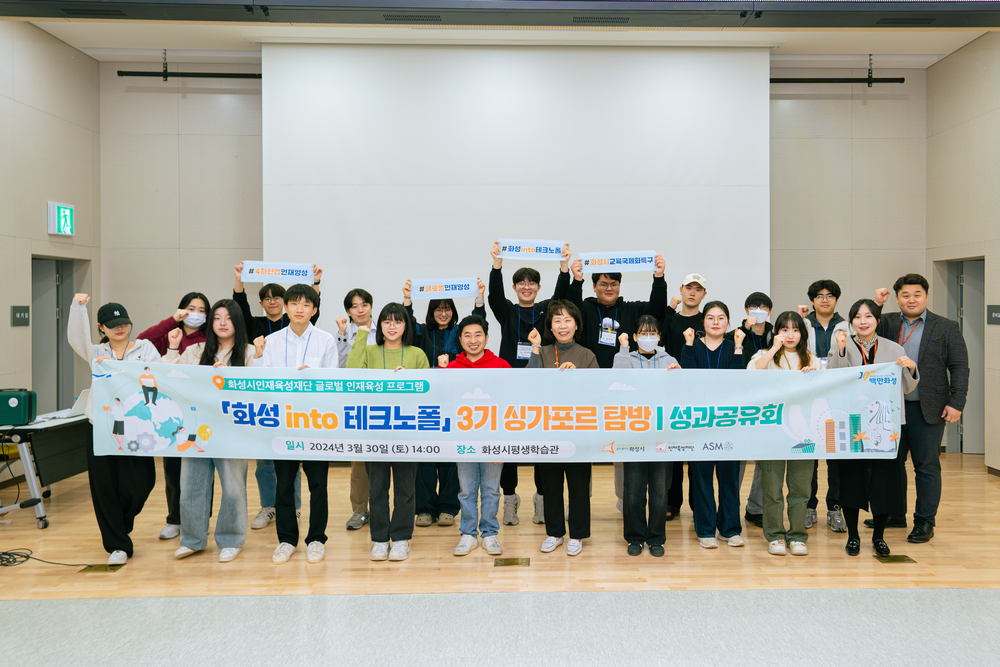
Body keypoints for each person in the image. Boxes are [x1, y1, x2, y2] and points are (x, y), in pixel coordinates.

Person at [873, 273, 969, 543]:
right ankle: (895, 513)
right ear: (897, 298)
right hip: (891, 408)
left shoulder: (947, 326)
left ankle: (925, 521)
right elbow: (865, 325)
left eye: (917, 294)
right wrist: (877, 304)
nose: (911, 300)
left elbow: (959, 367)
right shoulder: (887, 322)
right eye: (905, 295)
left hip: (928, 409)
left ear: (926, 296)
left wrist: (956, 403)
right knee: (891, 465)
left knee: (926, 466)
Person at [68, 294, 160, 566]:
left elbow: (159, 375)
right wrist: (78, 308)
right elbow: (77, 339)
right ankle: (117, 544)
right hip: (101, 426)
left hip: (138, 427)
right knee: (104, 487)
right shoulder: (97, 353)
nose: (119, 328)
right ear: (101, 328)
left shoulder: (145, 349)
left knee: (142, 484)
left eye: (123, 323)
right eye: (112, 325)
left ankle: (121, 522)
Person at [253, 284, 339, 565]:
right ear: (286, 307)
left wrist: (313, 378)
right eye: (294, 303)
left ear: (314, 310)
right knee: (284, 485)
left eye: (306, 304)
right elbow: (262, 382)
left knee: (318, 485)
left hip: (316, 423)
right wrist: (259, 358)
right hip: (284, 423)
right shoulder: (272, 341)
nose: (299, 309)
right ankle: (287, 540)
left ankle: (316, 539)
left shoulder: (326, 340)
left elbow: (333, 381)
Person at [163, 299, 255, 563]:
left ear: (237, 322)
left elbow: (257, 391)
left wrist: (231, 379)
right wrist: (172, 347)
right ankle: (192, 540)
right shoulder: (195, 350)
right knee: (191, 485)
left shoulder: (249, 352)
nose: (222, 323)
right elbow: (167, 376)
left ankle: (231, 539)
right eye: (216, 318)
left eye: (228, 318)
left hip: (232, 431)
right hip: (196, 428)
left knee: (233, 489)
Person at [488, 241, 572, 526]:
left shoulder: (547, 310)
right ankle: (510, 499)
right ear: (514, 288)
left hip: (540, 384)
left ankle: (541, 499)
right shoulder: (507, 311)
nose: (526, 286)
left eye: (532, 282)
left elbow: (561, 295)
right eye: (521, 283)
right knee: (508, 446)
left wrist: (564, 268)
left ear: (538, 287)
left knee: (539, 444)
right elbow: (494, 296)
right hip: (510, 385)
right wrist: (497, 265)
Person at [827, 299, 918, 557]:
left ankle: (879, 537)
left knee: (883, 482)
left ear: (878, 319)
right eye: (857, 317)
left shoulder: (893, 348)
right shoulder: (842, 345)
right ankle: (853, 537)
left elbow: (906, 387)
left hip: (884, 425)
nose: (863, 321)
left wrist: (911, 368)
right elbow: (833, 380)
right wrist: (841, 352)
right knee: (851, 480)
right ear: (851, 321)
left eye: (868, 316)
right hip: (852, 423)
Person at [232, 263, 318, 534]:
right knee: (265, 462)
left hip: (299, 407)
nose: (272, 302)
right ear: (261, 303)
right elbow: (240, 309)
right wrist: (239, 281)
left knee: (291, 458)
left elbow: (312, 304)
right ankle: (269, 506)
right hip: (268, 403)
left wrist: (315, 284)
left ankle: (293, 507)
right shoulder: (258, 326)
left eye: (277, 297)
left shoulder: (304, 328)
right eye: (267, 298)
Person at [348, 302, 431, 562]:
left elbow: (429, 391)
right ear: (379, 325)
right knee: (377, 488)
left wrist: (411, 380)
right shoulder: (369, 350)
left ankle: (402, 538)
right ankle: (379, 539)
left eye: (398, 321)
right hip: (375, 431)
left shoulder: (417, 353)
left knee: (405, 488)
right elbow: (352, 375)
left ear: (406, 325)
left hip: (407, 432)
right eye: (386, 321)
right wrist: (361, 334)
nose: (392, 326)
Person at [402, 279, 487, 529]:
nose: (443, 313)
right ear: (431, 311)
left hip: (456, 401)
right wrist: (407, 299)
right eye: (438, 309)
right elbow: (407, 323)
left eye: (447, 308)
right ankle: (425, 508)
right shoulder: (421, 331)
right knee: (426, 457)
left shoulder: (461, 332)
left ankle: (449, 507)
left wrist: (479, 298)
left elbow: (479, 323)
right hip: (426, 402)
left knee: (452, 456)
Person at [527, 300, 599, 556]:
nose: (563, 325)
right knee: (551, 485)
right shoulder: (543, 352)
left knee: (579, 487)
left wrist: (577, 375)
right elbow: (529, 384)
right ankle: (555, 532)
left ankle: (577, 535)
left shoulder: (587, 355)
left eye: (568, 320)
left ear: (577, 325)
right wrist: (535, 348)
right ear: (550, 326)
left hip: (578, 432)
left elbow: (597, 394)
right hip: (547, 430)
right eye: (557, 320)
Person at [137, 290, 209, 542]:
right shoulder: (167, 335)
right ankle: (174, 519)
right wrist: (171, 321)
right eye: (191, 309)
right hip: (169, 414)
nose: (196, 314)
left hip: (199, 413)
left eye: (202, 311)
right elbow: (141, 341)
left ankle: (200, 519)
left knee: (201, 470)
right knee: (173, 470)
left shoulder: (208, 340)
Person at [748, 311, 822, 556]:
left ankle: (798, 536)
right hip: (771, 432)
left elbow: (823, 392)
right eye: (784, 329)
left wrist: (813, 377)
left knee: (801, 489)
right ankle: (775, 535)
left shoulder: (812, 359)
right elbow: (751, 375)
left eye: (795, 330)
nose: (790, 335)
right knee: (772, 488)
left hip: (804, 433)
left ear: (803, 333)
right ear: (776, 332)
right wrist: (773, 348)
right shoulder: (764, 355)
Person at [679, 301, 747, 549]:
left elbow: (737, 382)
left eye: (721, 317)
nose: (716, 322)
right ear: (703, 322)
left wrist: (739, 347)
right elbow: (686, 379)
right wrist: (688, 344)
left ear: (728, 322)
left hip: (729, 424)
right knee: (702, 480)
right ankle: (705, 530)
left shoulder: (733, 346)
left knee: (729, 480)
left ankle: (730, 530)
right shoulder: (692, 345)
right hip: (699, 424)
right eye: (710, 317)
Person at [612, 316, 680, 557]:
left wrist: (678, 375)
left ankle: (656, 537)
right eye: (643, 333)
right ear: (634, 337)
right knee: (633, 489)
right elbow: (617, 383)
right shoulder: (625, 357)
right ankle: (635, 537)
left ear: (659, 337)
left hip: (662, 434)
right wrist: (622, 349)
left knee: (660, 491)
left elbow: (679, 393)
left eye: (653, 333)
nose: (648, 337)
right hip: (633, 433)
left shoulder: (669, 360)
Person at [447, 315, 511, 556]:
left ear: (486, 337)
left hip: (494, 439)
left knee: (492, 489)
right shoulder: (452, 368)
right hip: (463, 440)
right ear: (460, 339)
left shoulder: (501, 366)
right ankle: (468, 534)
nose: (473, 340)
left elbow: (511, 404)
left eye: (478, 335)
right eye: (467, 335)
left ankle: (490, 533)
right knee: (466, 490)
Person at [797, 279, 850, 533]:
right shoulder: (803, 324)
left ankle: (835, 508)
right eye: (820, 296)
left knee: (836, 458)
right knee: (809, 457)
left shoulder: (847, 326)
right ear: (812, 300)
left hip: (837, 398)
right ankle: (809, 507)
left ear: (836, 300)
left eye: (830, 295)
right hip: (809, 397)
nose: (825, 300)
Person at [662, 273, 709, 521]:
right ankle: (672, 501)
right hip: (672, 389)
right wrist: (670, 309)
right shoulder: (671, 318)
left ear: (704, 294)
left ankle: (698, 503)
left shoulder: (707, 320)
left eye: (698, 289)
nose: (692, 292)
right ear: (680, 290)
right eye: (688, 288)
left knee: (698, 452)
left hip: (699, 391)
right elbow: (656, 337)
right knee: (674, 451)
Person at [725, 292, 773, 529]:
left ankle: (756, 508)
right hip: (740, 403)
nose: (758, 310)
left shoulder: (777, 333)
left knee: (765, 458)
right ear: (746, 310)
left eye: (763, 307)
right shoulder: (734, 334)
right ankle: (729, 509)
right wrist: (744, 331)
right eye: (754, 306)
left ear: (769, 311)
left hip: (770, 402)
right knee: (738, 458)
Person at [335, 288, 377, 531]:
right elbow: (340, 366)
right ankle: (360, 511)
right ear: (348, 311)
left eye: (364, 305)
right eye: (354, 306)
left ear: (371, 306)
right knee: (359, 463)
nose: (360, 310)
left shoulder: (384, 328)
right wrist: (342, 336)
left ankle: (384, 509)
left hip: (384, 402)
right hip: (358, 404)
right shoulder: (344, 334)